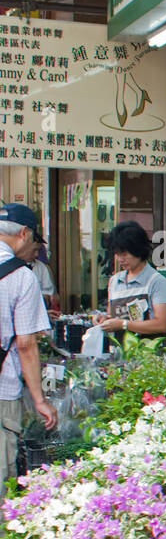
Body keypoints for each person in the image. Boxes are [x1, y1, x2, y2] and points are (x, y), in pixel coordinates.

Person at [0, 203, 58, 489]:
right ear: (23, 233)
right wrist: (39, 400)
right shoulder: (21, 277)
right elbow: (26, 345)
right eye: (34, 240)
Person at [92, 222, 166, 338]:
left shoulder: (157, 282)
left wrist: (123, 324)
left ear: (138, 250)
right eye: (117, 254)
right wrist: (105, 319)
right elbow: (113, 316)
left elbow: (162, 324)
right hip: (120, 351)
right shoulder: (115, 281)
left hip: (147, 352)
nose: (120, 259)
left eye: (124, 254)